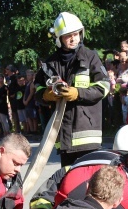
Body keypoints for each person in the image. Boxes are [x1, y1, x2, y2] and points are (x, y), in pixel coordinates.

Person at [34, 12, 110, 167]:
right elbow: (37, 88)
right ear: (59, 38)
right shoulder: (50, 63)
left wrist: (78, 93)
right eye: (68, 35)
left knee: (89, 181)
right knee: (68, 180)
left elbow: (104, 86)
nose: (73, 38)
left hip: (87, 135)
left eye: (76, 34)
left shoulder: (90, 57)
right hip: (64, 137)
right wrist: (46, 95)